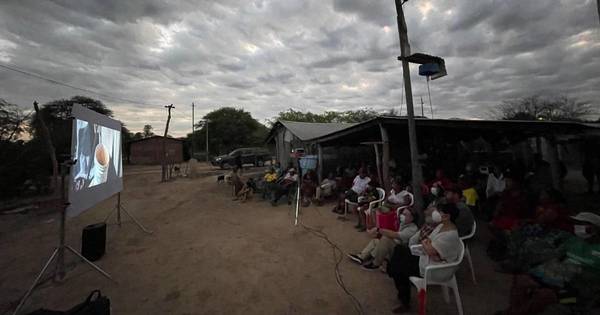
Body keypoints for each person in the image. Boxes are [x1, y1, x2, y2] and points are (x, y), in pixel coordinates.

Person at [387, 203, 462, 313]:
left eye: (438, 211)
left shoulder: (450, 234)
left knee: (399, 268)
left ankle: (404, 300)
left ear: (447, 216)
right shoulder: (441, 226)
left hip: (435, 269)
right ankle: (392, 271)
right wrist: (429, 247)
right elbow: (428, 243)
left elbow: (430, 248)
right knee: (399, 249)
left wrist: (429, 247)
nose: (435, 213)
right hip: (428, 259)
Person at [348, 208, 419, 272]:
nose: (402, 216)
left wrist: (379, 230)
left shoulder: (412, 229)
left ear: (412, 218)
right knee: (376, 241)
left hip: (401, 252)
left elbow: (395, 235)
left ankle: (375, 263)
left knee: (386, 239)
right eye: (402, 214)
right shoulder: (404, 224)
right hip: (396, 246)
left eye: (405, 215)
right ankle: (362, 257)